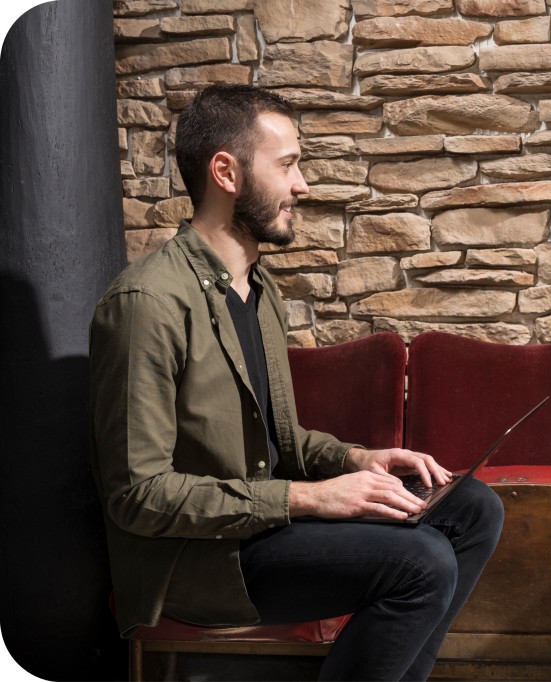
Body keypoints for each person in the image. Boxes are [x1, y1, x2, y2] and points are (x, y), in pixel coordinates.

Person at [90, 84, 504, 681]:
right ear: (226, 172)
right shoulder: (146, 302)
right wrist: (309, 498)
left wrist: (359, 458)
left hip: (263, 526)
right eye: (287, 165)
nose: (303, 184)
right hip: (202, 559)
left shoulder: (259, 295)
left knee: (472, 509)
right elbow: (138, 495)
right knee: (423, 562)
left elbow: (280, 443)